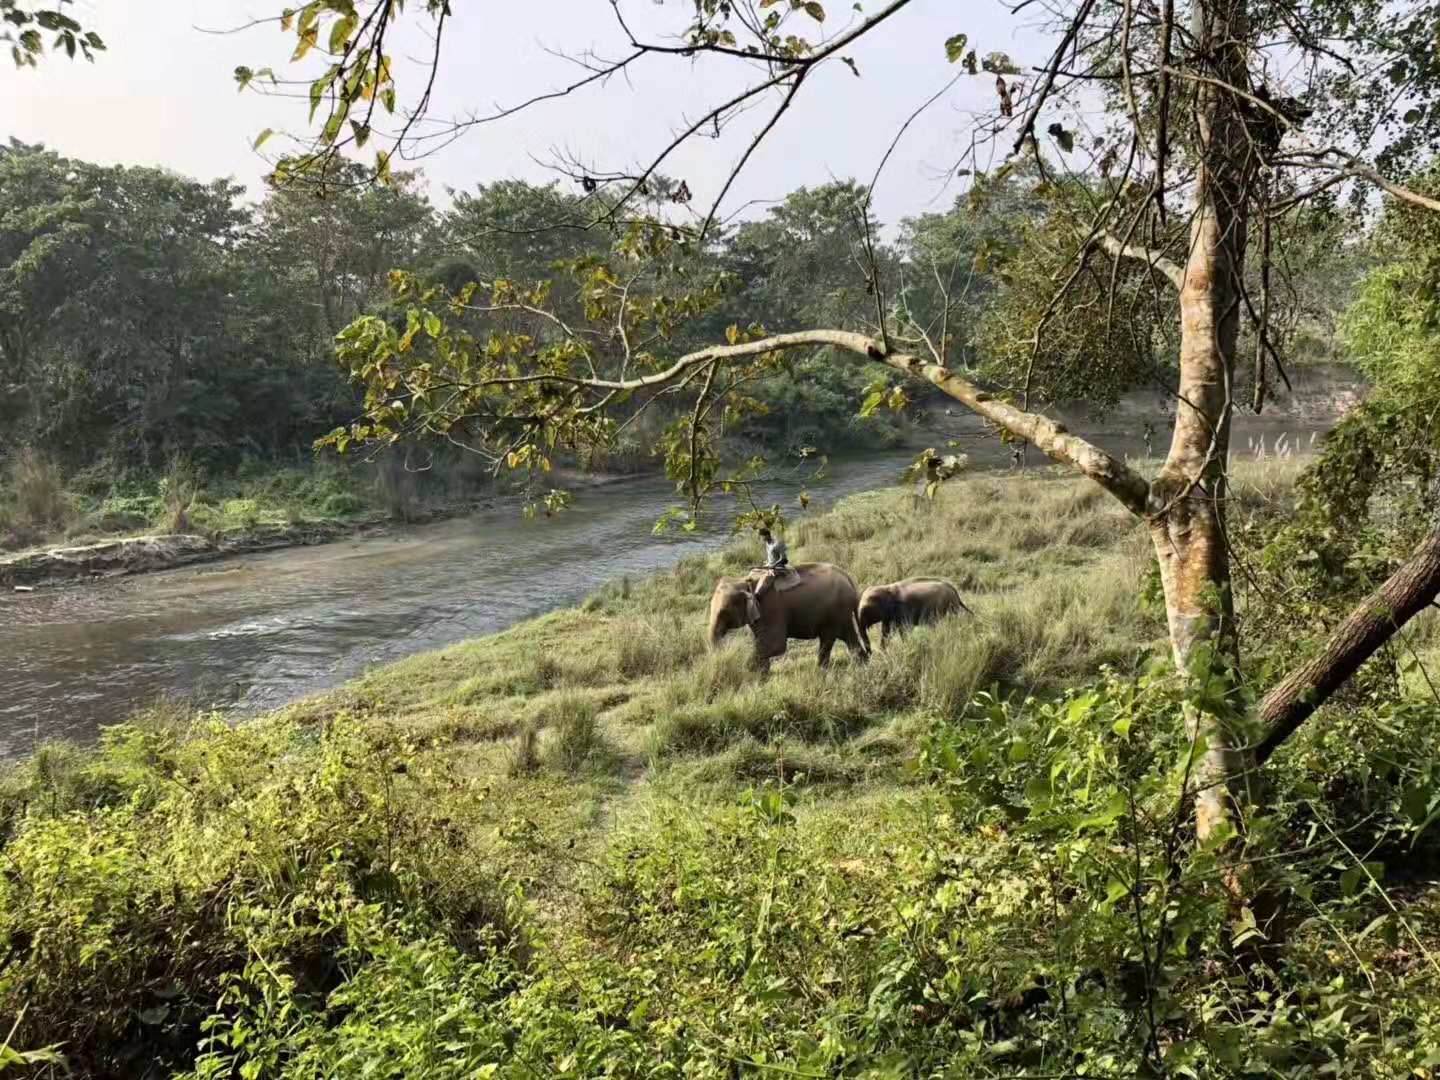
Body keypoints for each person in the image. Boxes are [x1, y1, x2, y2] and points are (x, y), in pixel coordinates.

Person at [753, 526, 790, 605]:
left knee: (766, 576)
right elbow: (771, 558)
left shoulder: (776, 544)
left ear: (767, 535)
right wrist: (767, 564)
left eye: (761, 536)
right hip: (770, 566)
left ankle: (758, 595)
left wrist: (773, 566)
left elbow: (784, 559)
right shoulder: (767, 543)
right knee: (754, 571)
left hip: (778, 568)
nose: (761, 538)